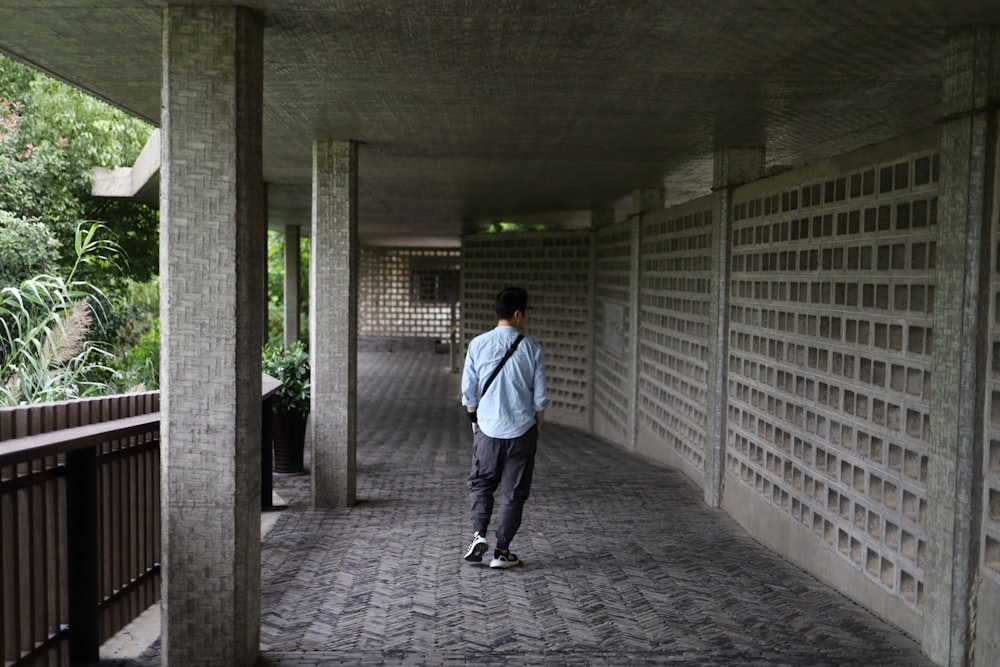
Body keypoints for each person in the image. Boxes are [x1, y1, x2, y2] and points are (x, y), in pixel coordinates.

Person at [461, 287, 548, 568]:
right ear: (518, 314)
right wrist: (535, 428)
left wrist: (474, 422)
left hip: (486, 429)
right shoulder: (532, 347)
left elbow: (468, 393)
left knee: (482, 484)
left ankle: (478, 535)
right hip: (522, 431)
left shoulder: (477, 344)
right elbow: (540, 399)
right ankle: (502, 551)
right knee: (514, 492)